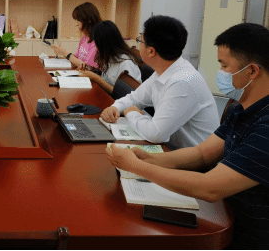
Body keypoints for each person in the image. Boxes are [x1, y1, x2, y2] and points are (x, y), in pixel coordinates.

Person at [106, 23, 269, 249]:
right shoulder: (243, 110)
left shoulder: (265, 125)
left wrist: (136, 167)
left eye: (225, 66)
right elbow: (202, 153)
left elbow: (210, 187)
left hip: (242, 236)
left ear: (252, 71)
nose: (221, 73)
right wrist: (148, 158)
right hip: (222, 214)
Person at [100, 15, 219, 150]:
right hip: (173, 149)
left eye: (140, 41)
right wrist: (115, 108)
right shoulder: (163, 71)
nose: (139, 45)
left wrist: (131, 113)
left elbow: (155, 134)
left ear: (151, 51)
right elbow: (135, 98)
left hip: (192, 158)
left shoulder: (183, 82)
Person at [80, 20, 142, 94]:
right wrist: (91, 74)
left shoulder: (126, 64)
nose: (96, 46)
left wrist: (97, 79)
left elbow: (124, 95)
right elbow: (107, 79)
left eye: (97, 43)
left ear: (105, 44)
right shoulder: (110, 57)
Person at [51, 2, 101, 69]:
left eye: (78, 20)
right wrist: (62, 52)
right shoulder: (85, 37)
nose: (76, 24)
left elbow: (86, 67)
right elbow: (77, 59)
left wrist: (65, 53)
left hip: (88, 74)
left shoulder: (97, 40)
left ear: (89, 20)